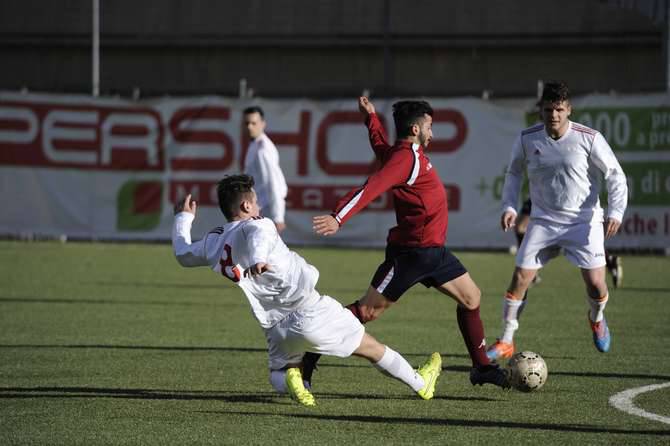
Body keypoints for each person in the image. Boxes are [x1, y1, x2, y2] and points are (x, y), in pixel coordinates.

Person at [172, 174, 443, 407]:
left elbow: (183, 254)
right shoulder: (259, 223)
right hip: (308, 310)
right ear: (246, 205)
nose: (259, 205)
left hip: (275, 327)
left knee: (276, 373)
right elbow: (257, 236)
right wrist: (257, 259)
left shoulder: (214, 240)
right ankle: (421, 383)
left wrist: (183, 219)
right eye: (255, 201)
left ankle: (293, 378)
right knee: (371, 347)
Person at [309, 97, 509, 389]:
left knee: (472, 298)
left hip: (434, 252)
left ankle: (482, 368)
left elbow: (382, 151)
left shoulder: (403, 154)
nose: (433, 132)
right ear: (415, 128)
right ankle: (311, 349)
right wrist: (338, 217)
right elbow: (372, 186)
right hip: (411, 254)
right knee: (366, 312)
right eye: (429, 126)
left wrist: (371, 120)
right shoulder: (406, 159)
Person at [487, 81, 628, 361]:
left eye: (559, 109)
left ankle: (597, 318)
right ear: (541, 110)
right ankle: (506, 340)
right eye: (549, 109)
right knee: (520, 277)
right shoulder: (528, 138)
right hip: (543, 220)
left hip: (583, 221)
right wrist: (509, 206)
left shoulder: (589, 138)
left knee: (597, 284)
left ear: (569, 110)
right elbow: (513, 173)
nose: (554, 115)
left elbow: (615, 175)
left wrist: (615, 212)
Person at [242, 106, 288, 233]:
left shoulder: (263, 150)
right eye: (246, 123)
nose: (249, 127)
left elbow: (273, 183)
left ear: (262, 124)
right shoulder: (254, 145)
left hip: (265, 211)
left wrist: (278, 216)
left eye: (253, 123)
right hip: (256, 210)